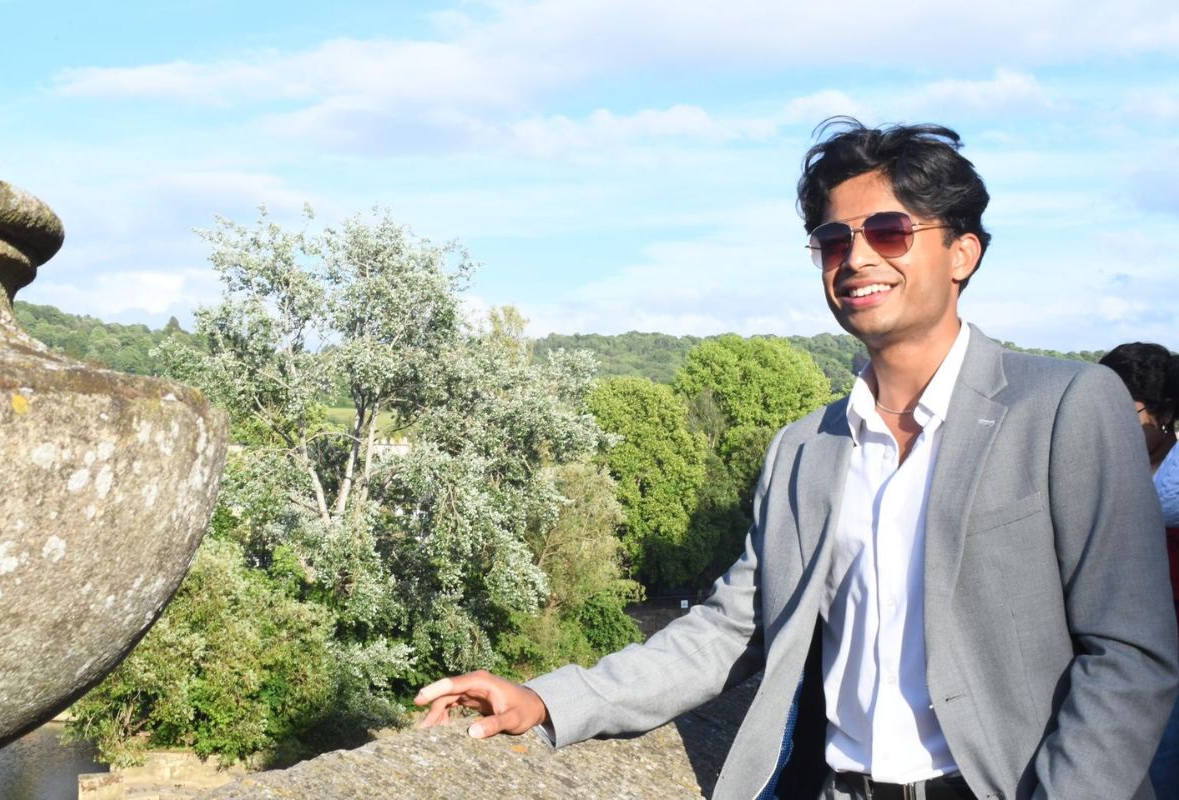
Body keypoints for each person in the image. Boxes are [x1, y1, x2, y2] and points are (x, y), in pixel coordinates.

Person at [416, 120, 1179, 800]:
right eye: (833, 240)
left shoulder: (1067, 406)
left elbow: (1129, 653)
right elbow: (727, 630)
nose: (855, 257)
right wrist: (550, 699)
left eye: (889, 230)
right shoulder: (804, 449)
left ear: (962, 252)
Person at [1099, 342, 1179, 799]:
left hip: (1165, 633)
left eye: (1124, 413)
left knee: (1161, 753)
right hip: (1107, 637)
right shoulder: (1100, 459)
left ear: (1162, 411)